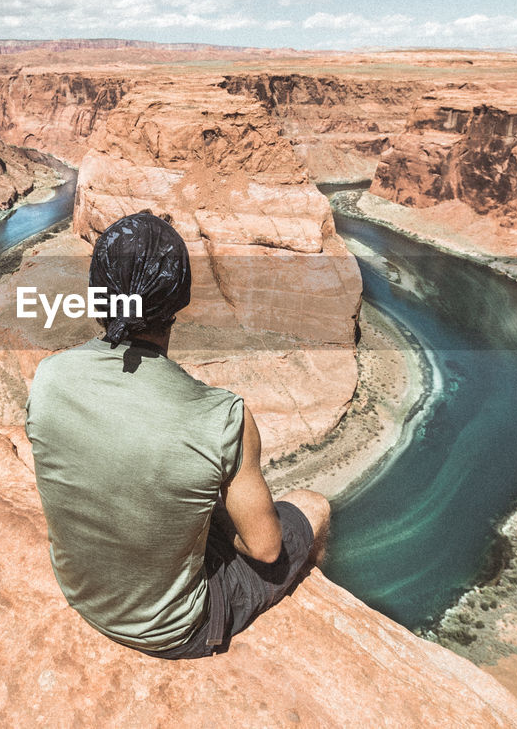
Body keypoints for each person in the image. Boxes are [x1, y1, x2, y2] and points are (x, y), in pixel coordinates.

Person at [25, 211, 331, 658]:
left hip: (80, 593)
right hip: (172, 630)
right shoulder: (224, 417)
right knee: (311, 505)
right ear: (179, 301)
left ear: (96, 295)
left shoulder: (49, 377)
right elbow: (264, 550)